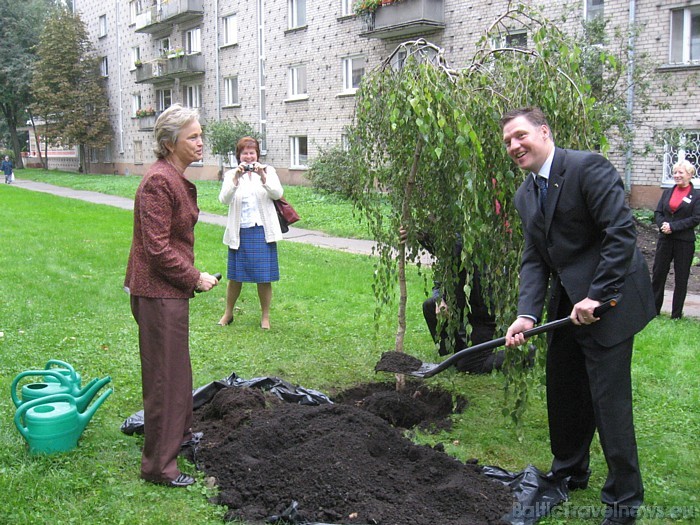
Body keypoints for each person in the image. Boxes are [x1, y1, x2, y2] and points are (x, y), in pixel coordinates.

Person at [500, 107, 655, 525]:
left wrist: (598, 296)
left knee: (609, 402)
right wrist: (527, 315)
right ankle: (570, 470)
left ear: (544, 132)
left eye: (520, 136)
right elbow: (535, 259)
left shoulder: (587, 168)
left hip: (612, 298)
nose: (514, 146)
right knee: (565, 390)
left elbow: (620, 232)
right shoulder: (525, 194)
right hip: (567, 305)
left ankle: (624, 500)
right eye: (508, 142)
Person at [124, 104, 219, 487]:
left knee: (178, 370)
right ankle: (158, 467)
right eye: (193, 136)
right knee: (164, 378)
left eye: (200, 134)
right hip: (157, 293)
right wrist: (195, 277)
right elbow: (157, 250)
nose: (200, 142)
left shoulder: (173, 178)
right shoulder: (158, 182)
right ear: (169, 143)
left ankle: (178, 438)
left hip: (169, 293)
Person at [401, 226, 503, 373]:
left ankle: (522, 354)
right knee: (430, 306)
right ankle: (459, 352)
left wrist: (423, 236)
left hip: (484, 317)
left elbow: (455, 246)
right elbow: (440, 278)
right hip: (463, 310)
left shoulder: (468, 245)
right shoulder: (450, 251)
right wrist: (439, 299)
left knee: (469, 367)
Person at [217, 136, 284, 329]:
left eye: (252, 152)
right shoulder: (231, 174)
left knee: (264, 277)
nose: (248, 156)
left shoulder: (268, 171)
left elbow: (277, 194)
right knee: (235, 276)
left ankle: (265, 317)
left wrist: (263, 177)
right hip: (240, 231)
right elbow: (224, 199)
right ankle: (228, 313)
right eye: (245, 153)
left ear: (257, 154)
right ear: (239, 156)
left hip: (263, 231)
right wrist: (236, 179)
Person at [651, 160, 700, 319]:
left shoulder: (696, 195)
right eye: (675, 172)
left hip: (684, 241)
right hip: (665, 239)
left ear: (690, 174)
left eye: (681, 172)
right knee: (658, 274)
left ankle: (676, 315)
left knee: (681, 277)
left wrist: (673, 227)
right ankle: (654, 310)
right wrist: (663, 225)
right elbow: (658, 213)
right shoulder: (667, 192)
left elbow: (695, 218)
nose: (677, 175)